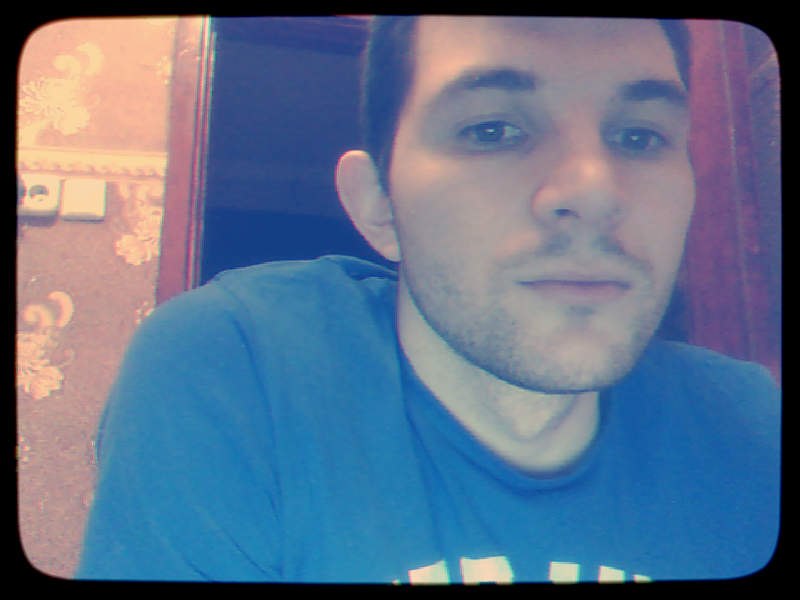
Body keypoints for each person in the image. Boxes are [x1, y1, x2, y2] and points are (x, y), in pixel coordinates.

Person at [76, 16, 780, 583]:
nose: (596, 191)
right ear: (378, 205)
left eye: (640, 136)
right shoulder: (236, 369)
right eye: (492, 129)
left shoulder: (750, 428)